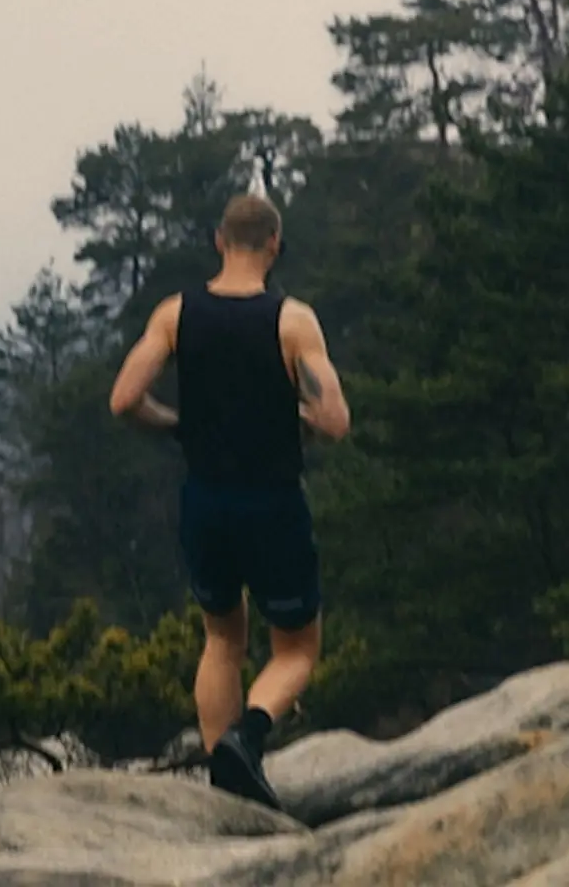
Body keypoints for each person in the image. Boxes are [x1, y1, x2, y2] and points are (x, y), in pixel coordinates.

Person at [106, 193, 349, 810]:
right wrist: (290, 412)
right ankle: (249, 735)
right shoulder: (292, 321)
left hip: (205, 502)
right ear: (274, 244)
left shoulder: (176, 314)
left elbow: (125, 399)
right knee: (296, 647)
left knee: (222, 640)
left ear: (219, 241)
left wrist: (176, 424)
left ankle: (224, 784)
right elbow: (335, 419)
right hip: (272, 504)